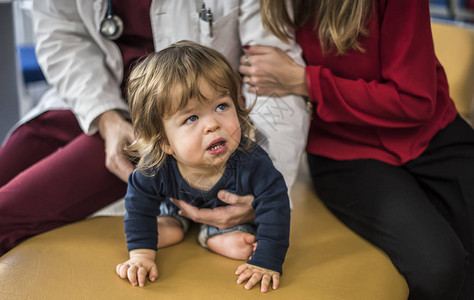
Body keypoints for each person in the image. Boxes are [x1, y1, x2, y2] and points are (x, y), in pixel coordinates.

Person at [176, 0, 474, 299]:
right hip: (344, 151)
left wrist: (305, 81)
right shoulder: (272, 7)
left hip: (432, 133)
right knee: (439, 267)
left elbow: (415, 101)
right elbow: (262, 87)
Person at [0, 0, 309, 255]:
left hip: (177, 125)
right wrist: (106, 116)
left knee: (6, 213)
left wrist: (262, 191)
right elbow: (61, 36)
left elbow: (274, 77)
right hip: (90, 99)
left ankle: (196, 225)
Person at [115, 41, 290, 292]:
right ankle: (174, 223)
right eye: (191, 118)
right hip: (178, 204)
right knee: (152, 223)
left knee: (245, 242)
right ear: (165, 142)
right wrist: (141, 254)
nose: (212, 124)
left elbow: (275, 205)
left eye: (221, 106)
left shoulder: (253, 162)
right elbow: (138, 203)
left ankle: (214, 235)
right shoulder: (156, 167)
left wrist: (267, 261)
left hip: (228, 212)